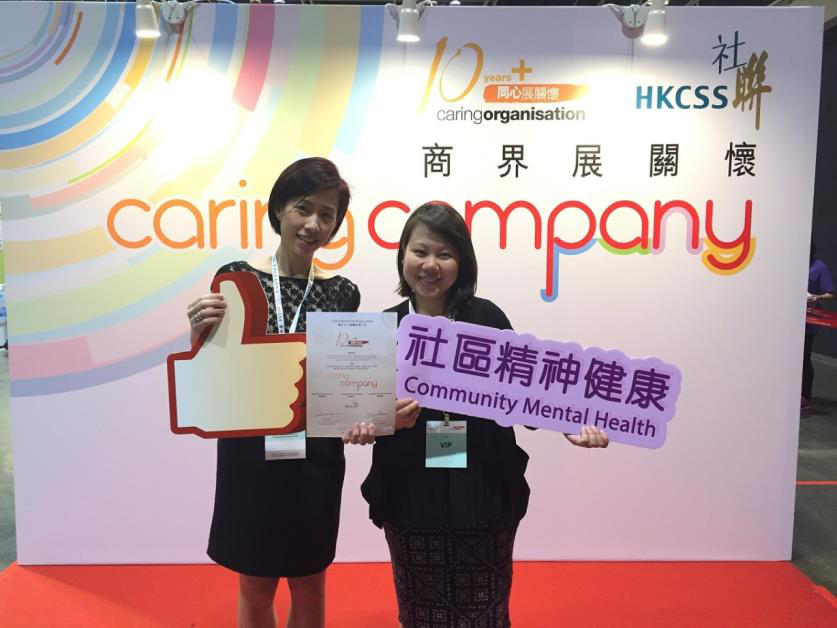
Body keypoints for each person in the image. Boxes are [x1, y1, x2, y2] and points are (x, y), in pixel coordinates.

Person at [345, 202, 608, 628]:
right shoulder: (380, 329)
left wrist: (571, 421)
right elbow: (355, 414)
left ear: (462, 262)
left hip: (484, 488)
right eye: (420, 251)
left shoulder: (486, 318)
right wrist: (374, 422)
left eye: (445, 254)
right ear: (403, 255)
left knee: (485, 609)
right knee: (420, 611)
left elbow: (527, 392)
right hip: (411, 494)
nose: (430, 265)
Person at [186, 158, 360, 628]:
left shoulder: (343, 293)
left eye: (327, 214)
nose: (314, 224)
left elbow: (343, 380)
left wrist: (363, 411)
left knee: (310, 581)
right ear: (280, 208)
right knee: (255, 584)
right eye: (304, 207)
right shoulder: (237, 280)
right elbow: (215, 369)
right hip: (250, 454)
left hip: (315, 455)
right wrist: (198, 333)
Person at [803, 240, 834, 410]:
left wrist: (817, 297)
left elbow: (831, 293)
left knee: (804, 357)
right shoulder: (793, 265)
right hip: (789, 319)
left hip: (809, 320)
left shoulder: (820, 267)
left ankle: (805, 397)